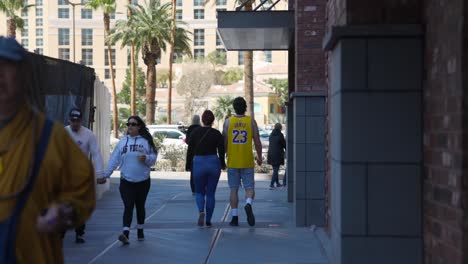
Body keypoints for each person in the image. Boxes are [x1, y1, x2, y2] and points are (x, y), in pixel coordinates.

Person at [0, 37, 96, 263]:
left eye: (8, 67)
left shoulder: (52, 138)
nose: (0, 75)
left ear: (24, 76)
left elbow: (81, 190)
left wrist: (60, 214)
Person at [97, 116, 157, 245]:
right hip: (126, 181)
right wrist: (105, 175)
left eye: (133, 124)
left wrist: (146, 158)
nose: (130, 126)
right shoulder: (123, 142)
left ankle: (140, 230)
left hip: (143, 181)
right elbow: (114, 160)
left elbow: (153, 158)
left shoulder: (146, 141)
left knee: (140, 206)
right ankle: (126, 234)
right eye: (128, 124)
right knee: (128, 206)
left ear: (139, 126)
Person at [64, 108, 105, 243]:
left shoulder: (88, 135)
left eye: (77, 121)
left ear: (81, 121)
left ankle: (80, 232)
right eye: (73, 121)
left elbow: (96, 154)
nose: (75, 123)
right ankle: (61, 232)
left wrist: (99, 174)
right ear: (69, 120)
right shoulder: (63, 133)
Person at [223, 97, 262, 227]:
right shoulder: (251, 121)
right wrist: (260, 157)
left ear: (234, 108)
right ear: (245, 107)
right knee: (250, 188)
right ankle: (248, 203)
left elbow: (224, 141)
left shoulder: (228, 122)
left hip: (233, 161)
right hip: (247, 161)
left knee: (233, 190)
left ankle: (234, 217)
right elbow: (257, 141)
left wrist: (222, 156)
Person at [187, 110, 226, 227]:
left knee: (199, 192)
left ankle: (201, 211)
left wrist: (188, 165)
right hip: (213, 162)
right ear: (213, 120)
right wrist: (222, 163)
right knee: (210, 193)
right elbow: (221, 151)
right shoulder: (216, 133)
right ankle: (208, 220)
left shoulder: (195, 132)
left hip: (199, 163)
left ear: (202, 120)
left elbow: (190, 151)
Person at [185, 114, 201, 195]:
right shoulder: (201, 129)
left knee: (193, 172)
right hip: (200, 152)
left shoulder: (190, 129)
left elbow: (187, 141)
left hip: (192, 152)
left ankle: (193, 190)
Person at [267, 123, 286, 189]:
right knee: (276, 169)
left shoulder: (271, 134)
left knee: (275, 169)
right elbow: (284, 144)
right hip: (277, 155)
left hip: (271, 154)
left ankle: (277, 183)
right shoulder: (280, 135)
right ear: (280, 128)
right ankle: (271, 184)